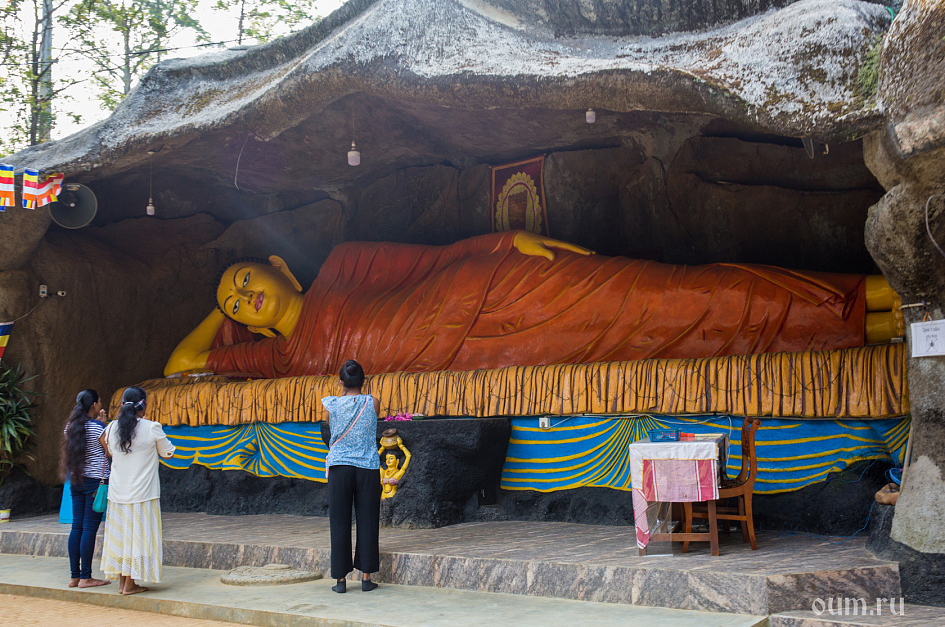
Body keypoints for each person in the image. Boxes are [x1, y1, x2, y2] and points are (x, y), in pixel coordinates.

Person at [164, 231, 904, 379]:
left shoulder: (343, 264)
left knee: (676, 293)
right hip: (500, 352)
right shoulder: (285, 355)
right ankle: (886, 335)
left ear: (277, 265)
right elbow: (184, 363)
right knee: (678, 336)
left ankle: (894, 294)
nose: (244, 293)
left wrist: (511, 239)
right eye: (236, 300)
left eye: (243, 277)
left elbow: (436, 258)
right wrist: (214, 312)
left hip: (499, 287)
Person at [99, 386, 175, 595]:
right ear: (144, 405)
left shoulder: (112, 427)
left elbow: (111, 452)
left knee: (122, 538)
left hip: (118, 493)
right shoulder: (152, 427)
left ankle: (124, 583)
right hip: (143, 494)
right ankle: (130, 584)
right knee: (137, 539)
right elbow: (168, 453)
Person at [323, 360, 382, 593]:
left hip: (339, 467)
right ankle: (366, 578)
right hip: (367, 466)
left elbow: (325, 432)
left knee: (339, 521)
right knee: (368, 520)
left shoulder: (330, 404)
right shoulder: (373, 402)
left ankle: (340, 581)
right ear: (363, 381)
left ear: (341, 382)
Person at [60, 389, 111, 589]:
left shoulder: (70, 427)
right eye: (98, 402)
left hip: (75, 480)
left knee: (77, 527)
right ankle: (86, 577)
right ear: (94, 405)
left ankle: (74, 576)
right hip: (95, 483)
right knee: (90, 529)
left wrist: (100, 424)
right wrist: (103, 425)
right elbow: (110, 452)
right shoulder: (99, 428)